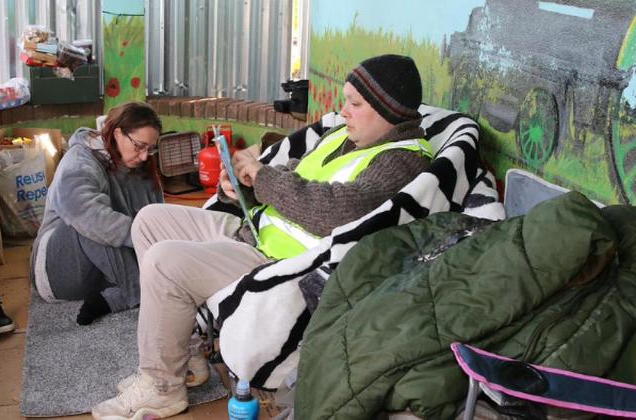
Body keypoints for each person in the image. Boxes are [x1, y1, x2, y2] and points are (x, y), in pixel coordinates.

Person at [91, 54, 434, 419]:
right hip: (254, 232)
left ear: (387, 110)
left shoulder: (403, 159)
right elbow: (292, 175)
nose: (343, 111)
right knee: (150, 221)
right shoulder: (344, 137)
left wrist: (264, 177)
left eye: (355, 103)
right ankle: (185, 351)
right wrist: (241, 186)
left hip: (280, 265)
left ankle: (162, 388)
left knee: (164, 261)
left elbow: (341, 211)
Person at [29, 102, 164, 325]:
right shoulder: (80, 160)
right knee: (93, 220)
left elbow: (156, 218)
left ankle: (115, 297)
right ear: (118, 133)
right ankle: (140, 293)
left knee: (145, 224)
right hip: (56, 272)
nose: (144, 156)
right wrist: (146, 235)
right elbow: (88, 216)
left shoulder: (142, 167)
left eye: (150, 149)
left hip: (103, 269)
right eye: (139, 146)